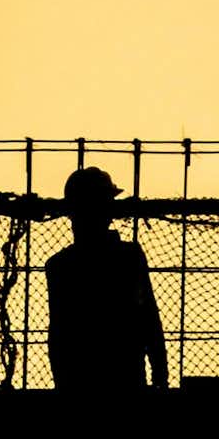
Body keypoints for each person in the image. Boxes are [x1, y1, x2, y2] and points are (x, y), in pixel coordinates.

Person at [43, 167, 169, 391]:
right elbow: (149, 321)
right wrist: (160, 376)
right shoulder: (129, 257)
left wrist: (63, 384)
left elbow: (59, 338)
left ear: (71, 212)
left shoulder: (60, 266)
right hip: (126, 377)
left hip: (81, 381)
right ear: (108, 210)